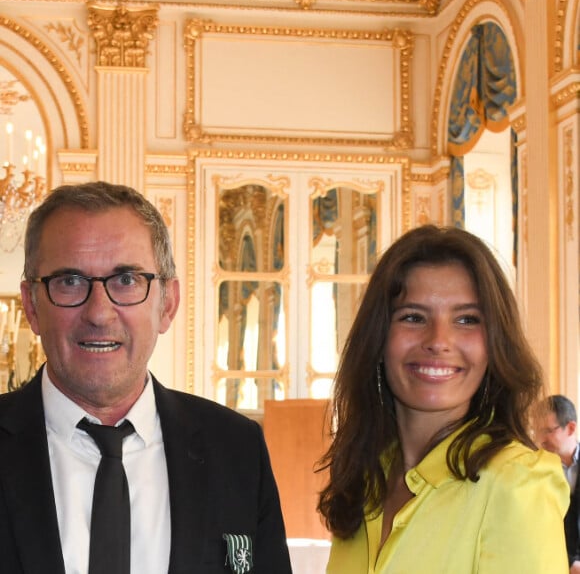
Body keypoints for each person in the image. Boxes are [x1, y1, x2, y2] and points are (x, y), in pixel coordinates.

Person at [0, 181, 292, 574]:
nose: (99, 313)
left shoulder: (237, 450)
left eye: (126, 280)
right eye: (70, 282)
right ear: (32, 307)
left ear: (167, 304)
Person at [317, 224, 569, 573]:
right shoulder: (366, 482)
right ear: (378, 339)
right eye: (413, 317)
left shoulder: (516, 484)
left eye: (467, 319)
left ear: (494, 345)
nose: (439, 340)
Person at [537, 395, 580, 573]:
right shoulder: (536, 471)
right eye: (538, 431)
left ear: (570, 428)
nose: (541, 439)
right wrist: (570, 562)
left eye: (548, 430)